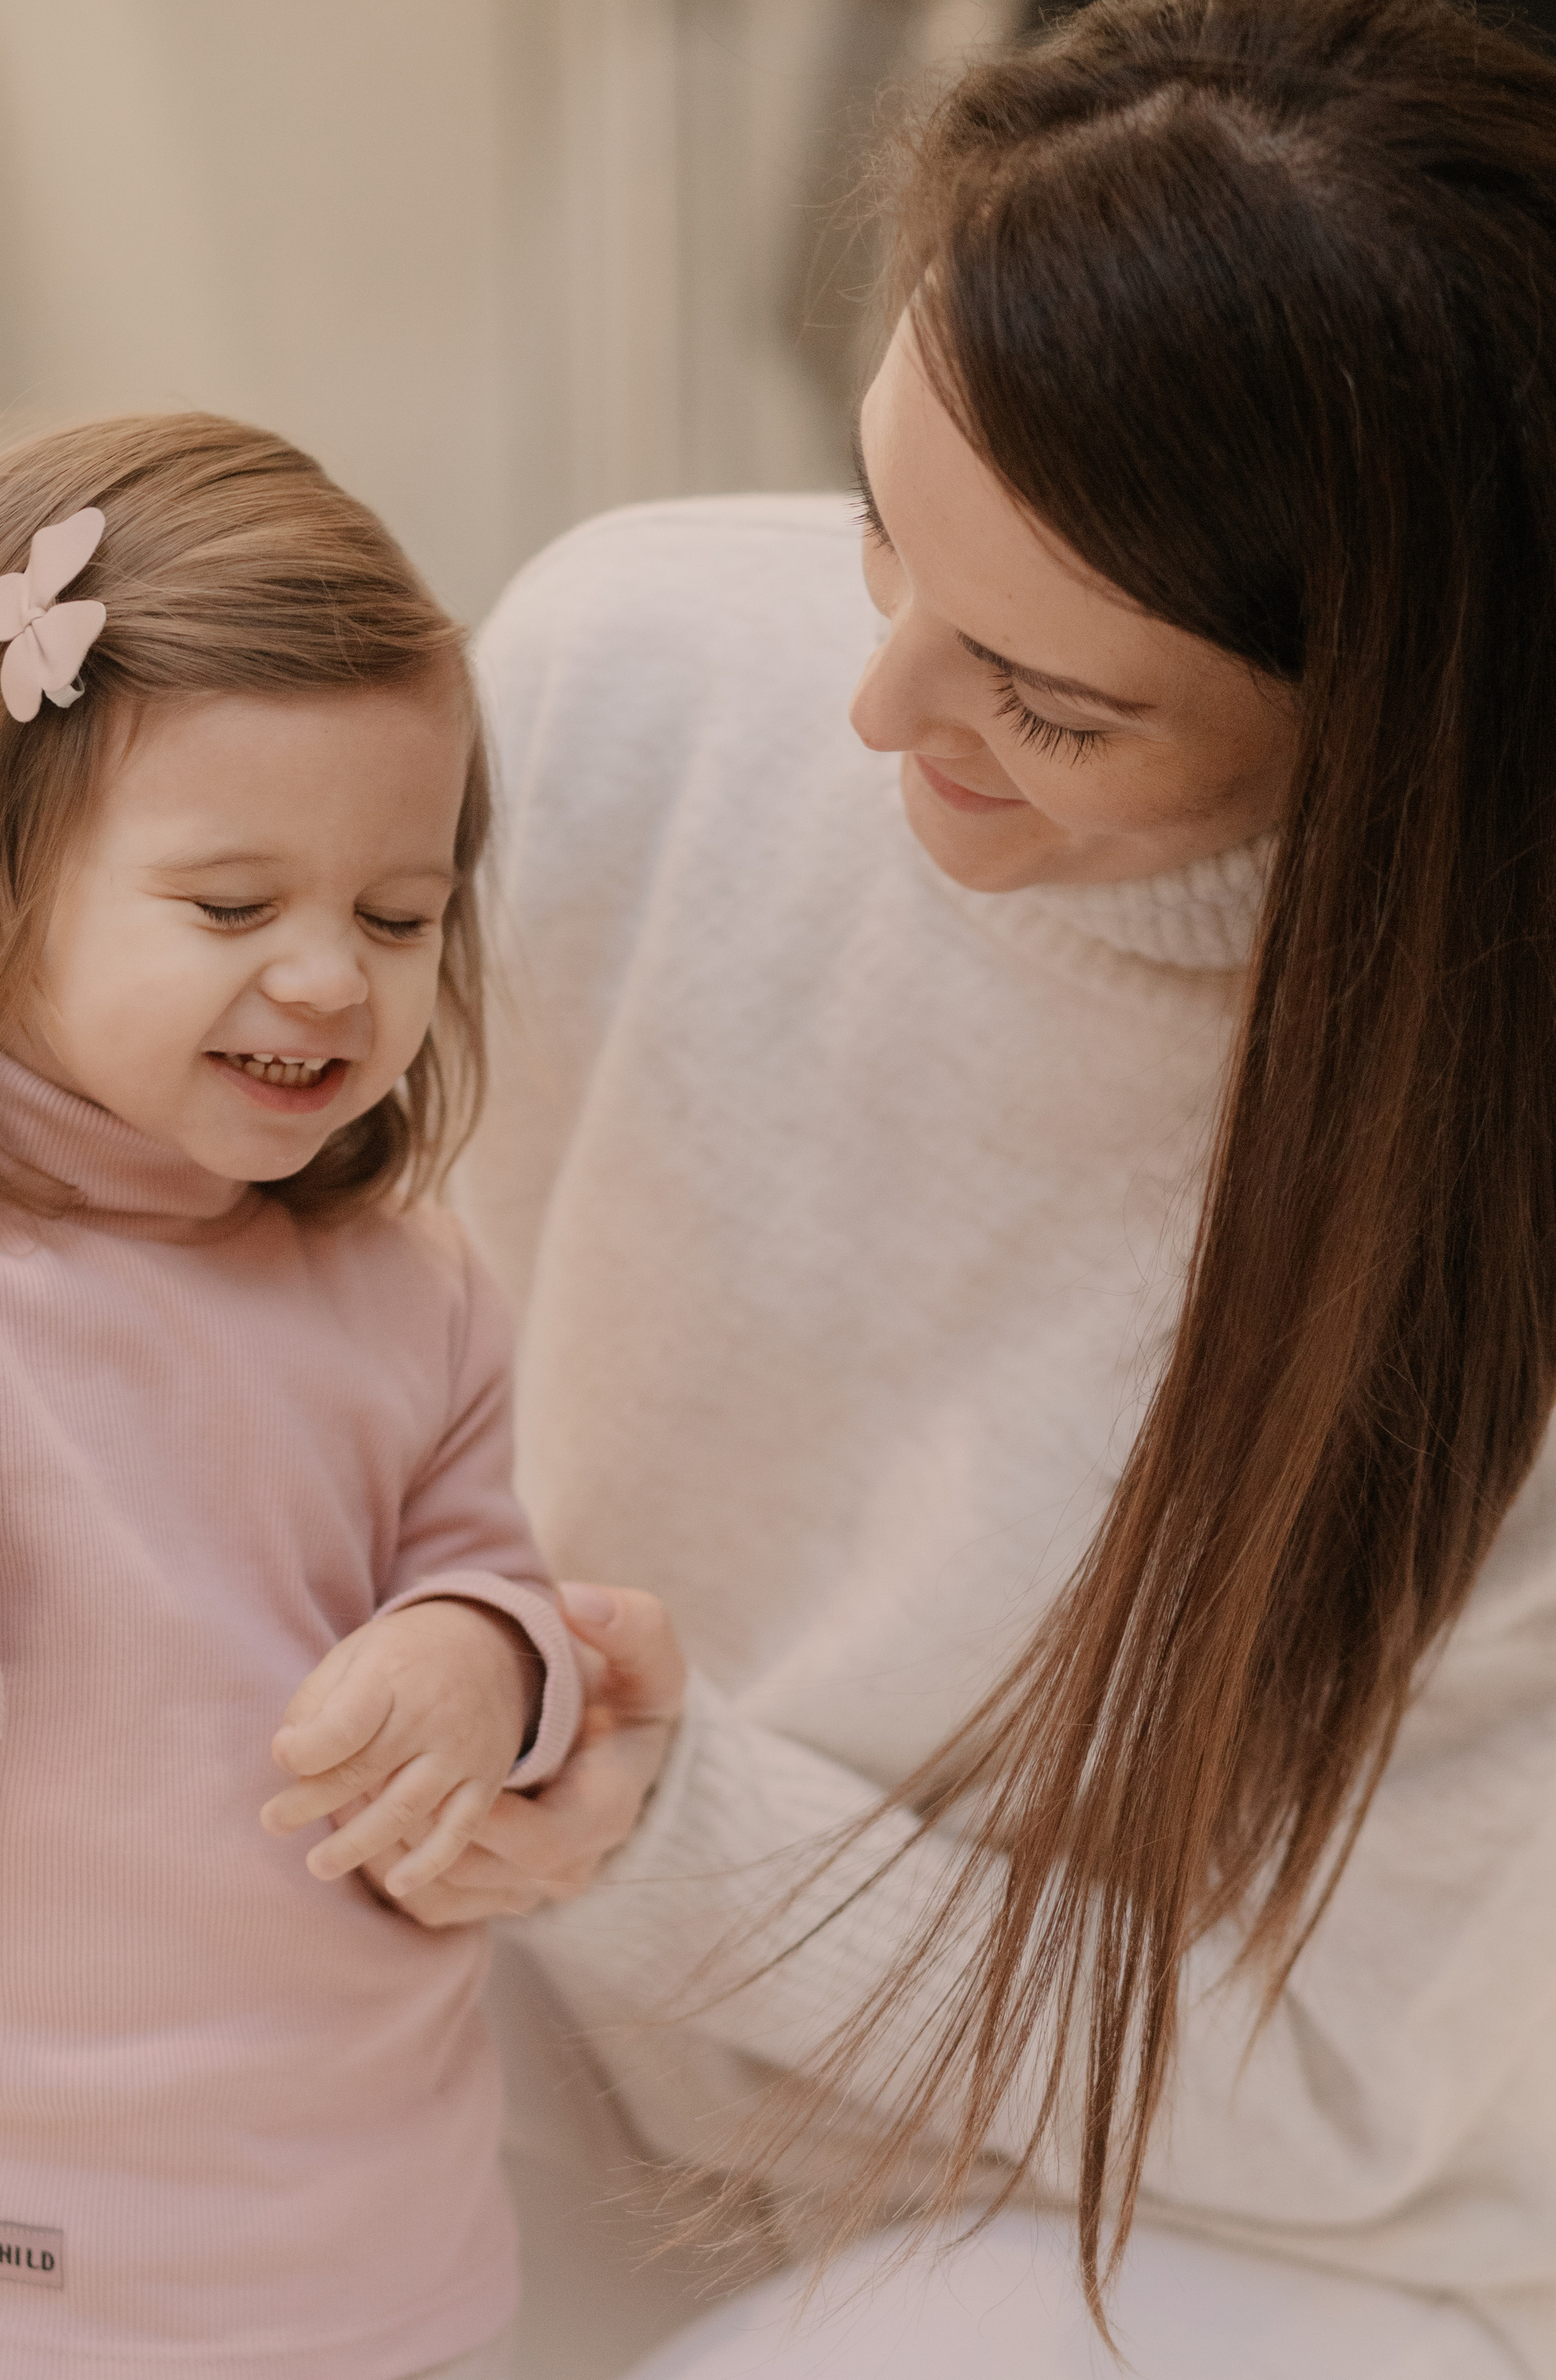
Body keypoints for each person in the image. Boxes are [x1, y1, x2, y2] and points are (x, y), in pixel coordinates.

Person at [348, 2, 1556, 2375]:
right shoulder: (636, 669)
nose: (879, 706)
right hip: (606, 2016)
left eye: (1055, 701)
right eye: (885, 524)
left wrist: (670, 1840)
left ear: (1411, 728)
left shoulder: (1484, 1153)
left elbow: (1367, 2095)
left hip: (1225, 2219)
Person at [0, 414, 586, 2380]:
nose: (333, 981)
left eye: (398, 915)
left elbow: (508, 1580)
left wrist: (486, 1657)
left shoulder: (408, 1288)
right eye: (234, 910)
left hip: (370, 2276)